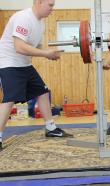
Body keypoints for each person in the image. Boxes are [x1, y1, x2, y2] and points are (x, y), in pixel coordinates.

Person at [0, 0, 73, 150]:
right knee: (9, 99)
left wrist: (50, 52)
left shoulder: (40, 23)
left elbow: (36, 47)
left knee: (43, 92)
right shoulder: (24, 18)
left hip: (24, 64)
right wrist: (46, 53)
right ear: (39, 2)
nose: (52, 9)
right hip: (9, 62)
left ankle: (51, 128)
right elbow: (19, 47)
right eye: (50, 5)